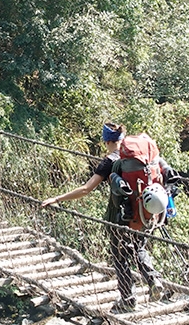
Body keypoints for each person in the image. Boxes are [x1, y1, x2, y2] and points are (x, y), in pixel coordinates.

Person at [40, 122, 166, 313]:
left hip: (120, 218)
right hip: (145, 213)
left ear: (106, 141)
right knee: (138, 247)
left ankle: (128, 299)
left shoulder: (110, 162)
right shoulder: (140, 158)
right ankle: (153, 279)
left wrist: (57, 198)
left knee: (120, 256)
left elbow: (86, 189)